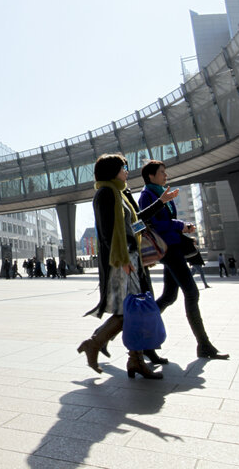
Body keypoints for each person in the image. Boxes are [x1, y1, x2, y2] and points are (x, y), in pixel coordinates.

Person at [79, 154, 175, 379]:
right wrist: (122, 261)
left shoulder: (119, 193)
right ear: (113, 170)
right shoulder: (105, 193)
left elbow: (135, 224)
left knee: (132, 310)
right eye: (124, 167)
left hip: (131, 258)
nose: (127, 171)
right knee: (129, 310)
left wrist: (160, 203)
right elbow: (106, 233)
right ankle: (99, 346)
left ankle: (133, 359)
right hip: (121, 260)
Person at [139, 160, 229, 360]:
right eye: (162, 172)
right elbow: (153, 224)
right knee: (192, 291)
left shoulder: (163, 193)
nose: (166, 175)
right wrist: (181, 226)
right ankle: (204, 345)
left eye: (165, 171)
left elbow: (167, 221)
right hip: (167, 249)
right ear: (151, 176)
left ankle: (144, 337)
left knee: (170, 296)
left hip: (174, 246)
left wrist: (182, 227)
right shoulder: (148, 195)